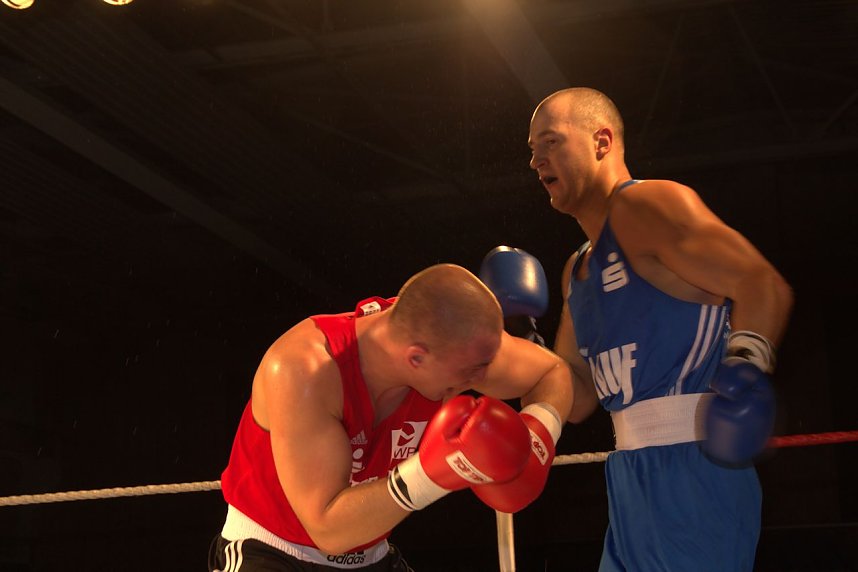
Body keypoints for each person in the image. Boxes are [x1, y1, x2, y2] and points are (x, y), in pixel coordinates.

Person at [527, 87, 794, 571]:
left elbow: (761, 283)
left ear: (602, 142)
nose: (535, 160)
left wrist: (745, 370)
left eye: (549, 141)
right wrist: (518, 351)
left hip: (695, 467)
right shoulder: (577, 270)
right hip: (628, 478)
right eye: (531, 149)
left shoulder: (648, 206)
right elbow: (579, 394)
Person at [208, 263, 574, 571]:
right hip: (274, 553)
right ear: (416, 358)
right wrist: (432, 474)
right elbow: (327, 530)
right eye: (469, 373)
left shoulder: (454, 342)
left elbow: (551, 373)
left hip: (372, 556)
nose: (478, 381)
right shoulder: (303, 371)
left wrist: (540, 433)